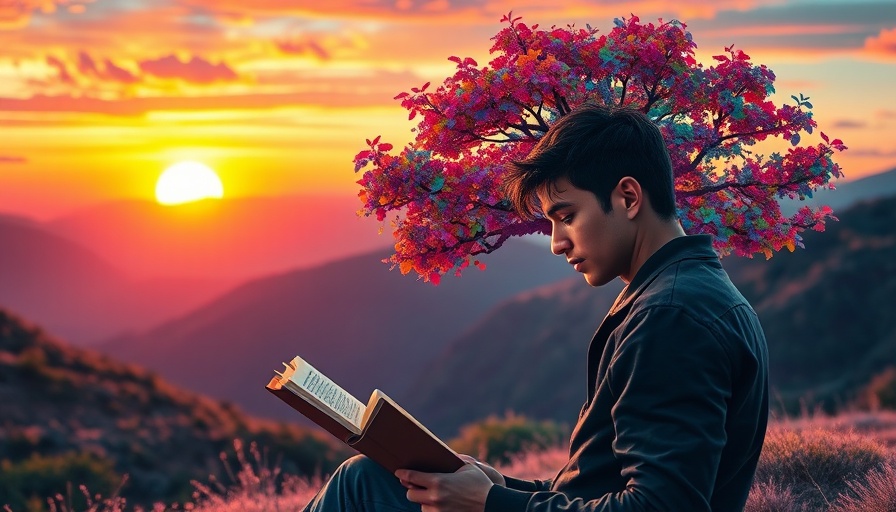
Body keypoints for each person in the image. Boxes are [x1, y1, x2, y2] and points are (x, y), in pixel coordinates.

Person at [303, 104, 769, 511]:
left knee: (362, 485)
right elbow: (600, 489)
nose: (556, 243)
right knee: (378, 479)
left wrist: (491, 503)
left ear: (628, 197)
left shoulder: (669, 317)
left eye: (567, 216)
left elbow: (661, 505)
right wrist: (500, 486)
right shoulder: (693, 293)